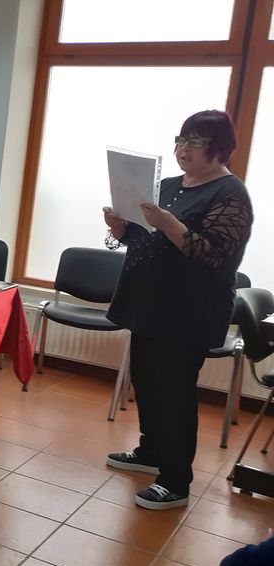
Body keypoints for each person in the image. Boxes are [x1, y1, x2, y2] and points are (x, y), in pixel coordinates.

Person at [103, 110, 253, 510]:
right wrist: (121, 229)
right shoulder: (167, 185)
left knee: (174, 393)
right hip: (147, 303)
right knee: (146, 382)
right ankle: (151, 451)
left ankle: (175, 480)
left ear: (220, 149)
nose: (183, 150)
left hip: (188, 311)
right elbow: (144, 238)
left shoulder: (230, 194)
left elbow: (215, 255)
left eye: (195, 143)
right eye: (181, 140)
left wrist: (170, 224)